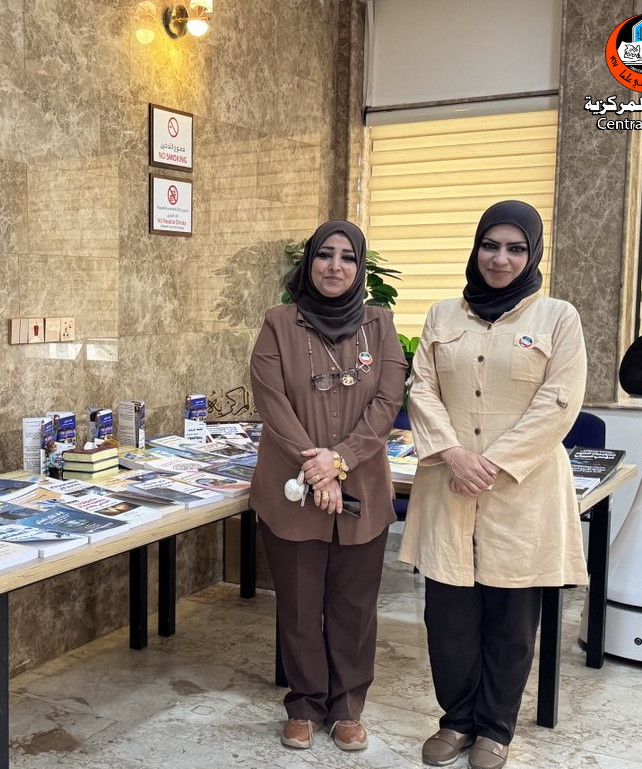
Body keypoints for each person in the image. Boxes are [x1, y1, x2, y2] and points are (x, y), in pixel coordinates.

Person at [399, 200, 588, 769]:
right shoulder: (442, 315)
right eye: (490, 245)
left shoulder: (557, 317)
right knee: (448, 618)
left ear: (533, 254)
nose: (500, 258)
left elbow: (560, 401)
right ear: (476, 248)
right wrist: (454, 454)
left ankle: (496, 729)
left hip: (522, 489)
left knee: (512, 620)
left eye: (515, 248)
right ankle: (456, 720)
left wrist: (495, 462)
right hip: (449, 480)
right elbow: (421, 389)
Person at [249, 219, 407, 752]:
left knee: (354, 607)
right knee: (298, 605)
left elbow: (387, 402)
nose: (335, 266)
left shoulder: (380, 325)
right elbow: (271, 401)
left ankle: (346, 708)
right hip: (292, 487)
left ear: (359, 268)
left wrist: (339, 461)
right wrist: (318, 467)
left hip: (362, 486)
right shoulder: (278, 323)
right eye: (325, 255)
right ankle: (304, 704)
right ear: (309, 262)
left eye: (347, 257)